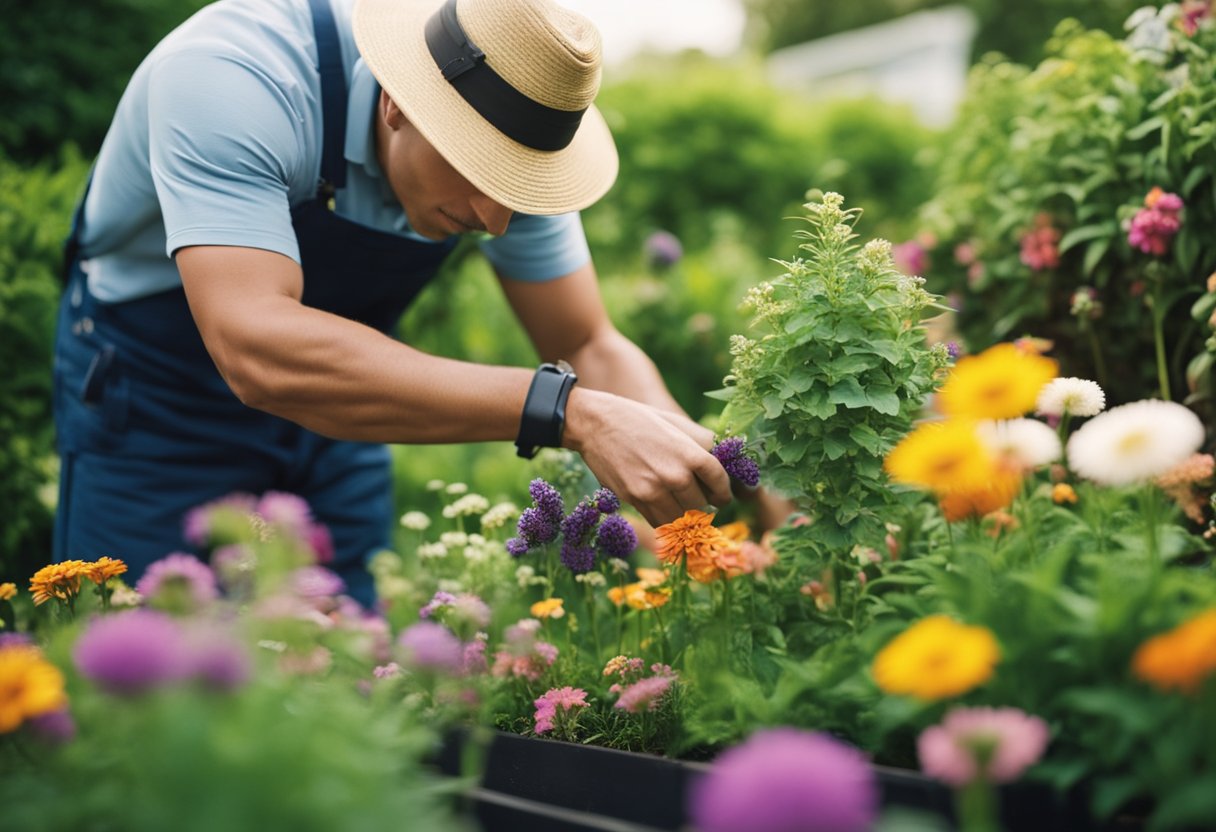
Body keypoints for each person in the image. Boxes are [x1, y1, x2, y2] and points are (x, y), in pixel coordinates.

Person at [53, 0, 733, 605]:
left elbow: (587, 342)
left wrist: (710, 490)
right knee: (145, 681)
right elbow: (254, 345)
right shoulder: (236, 77)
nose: (497, 220)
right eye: (479, 170)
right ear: (397, 103)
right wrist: (567, 411)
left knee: (349, 676)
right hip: (158, 394)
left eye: (517, 187)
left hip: (345, 397)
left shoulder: (517, 128)